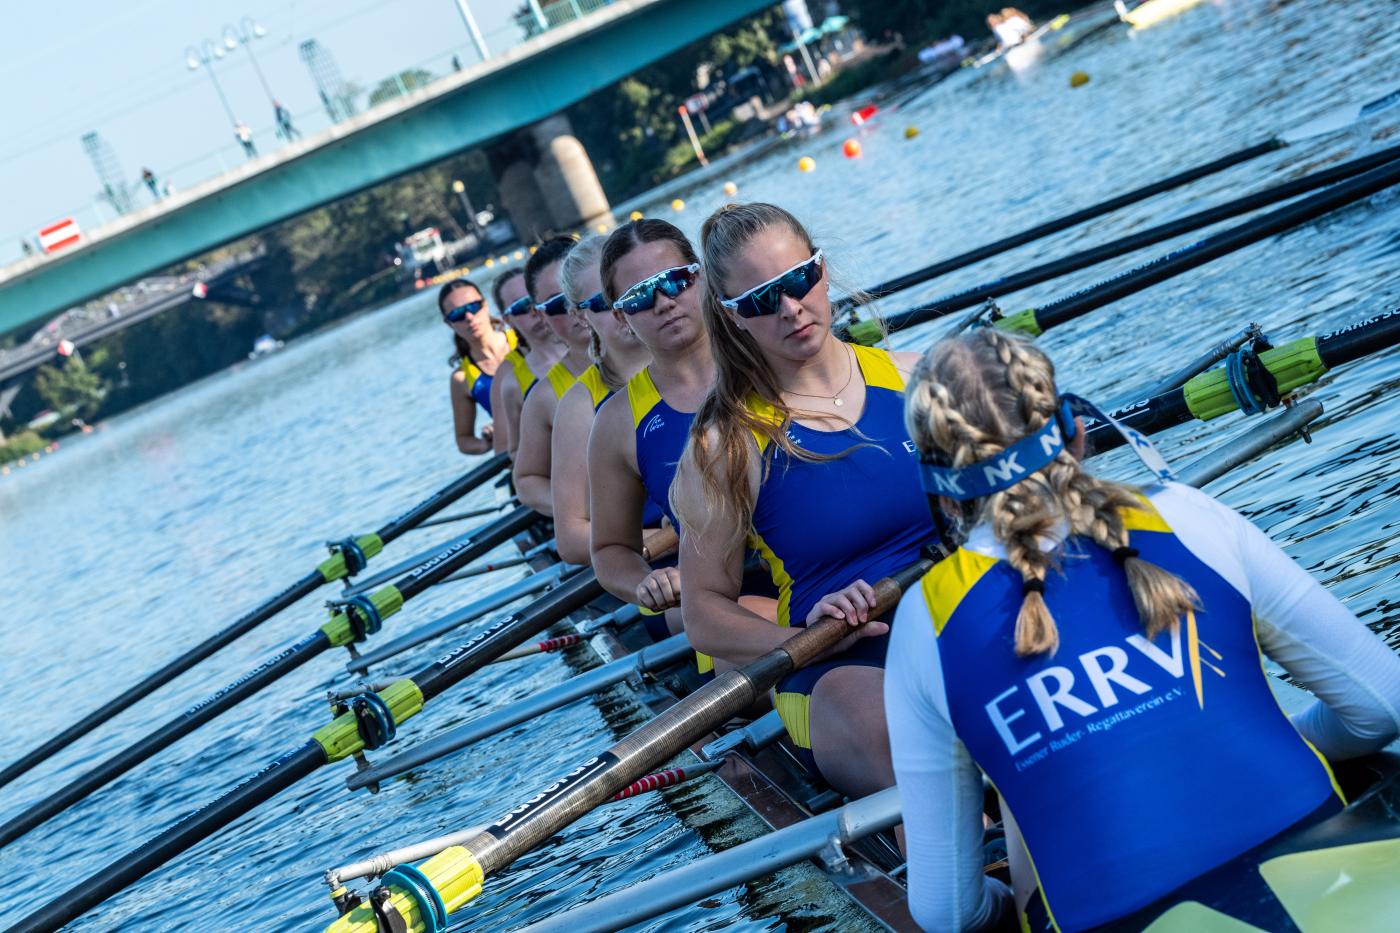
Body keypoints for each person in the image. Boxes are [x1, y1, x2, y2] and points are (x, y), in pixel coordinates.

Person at [886, 327, 1400, 932]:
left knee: (1027, 802)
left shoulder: (923, 620)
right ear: (1076, 430)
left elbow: (946, 913)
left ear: (940, 493)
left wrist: (1004, 907)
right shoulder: (1186, 515)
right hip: (1336, 880)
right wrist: (1292, 737)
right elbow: (1382, 706)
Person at [671, 202, 936, 796]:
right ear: (733, 317)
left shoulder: (916, 378)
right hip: (839, 665)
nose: (790, 308)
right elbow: (702, 613)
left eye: (798, 280)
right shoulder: (726, 445)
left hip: (957, 612)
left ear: (822, 269)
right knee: (890, 725)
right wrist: (800, 640)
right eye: (761, 300)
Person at [549, 235, 652, 565]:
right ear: (580, 316)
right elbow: (571, 538)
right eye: (606, 301)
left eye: (632, 292)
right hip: (660, 570)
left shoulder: (705, 358)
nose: (623, 308)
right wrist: (661, 539)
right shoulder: (580, 407)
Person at [512, 236, 594, 515]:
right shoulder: (544, 397)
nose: (575, 310)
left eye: (580, 294)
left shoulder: (661, 344)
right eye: (559, 303)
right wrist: (582, 512)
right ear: (539, 315)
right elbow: (527, 481)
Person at [488, 268, 564, 457]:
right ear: (507, 320)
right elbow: (508, 451)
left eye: (535, 300)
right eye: (521, 307)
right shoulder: (511, 383)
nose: (533, 311)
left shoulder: (593, 344)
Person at [438, 277, 510, 455]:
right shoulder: (462, 379)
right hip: (521, 455)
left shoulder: (523, 339)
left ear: (485, 305)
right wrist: (486, 443)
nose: (469, 317)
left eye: (473, 307)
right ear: (448, 323)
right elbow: (464, 440)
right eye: (457, 315)